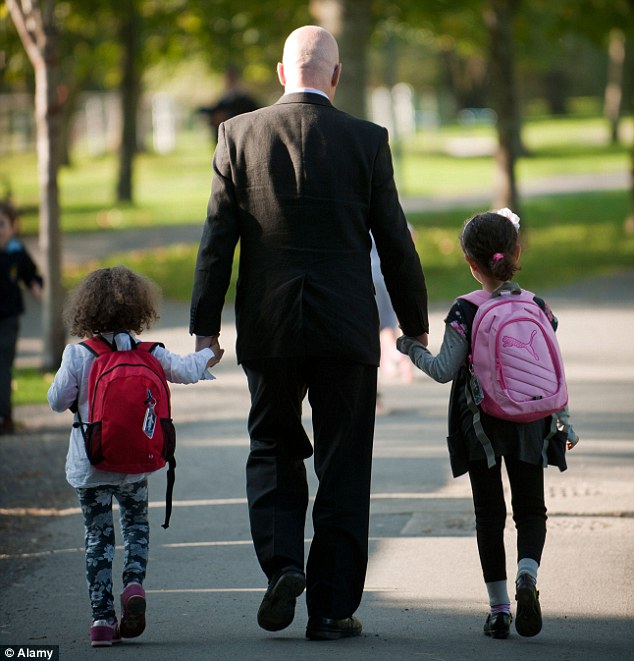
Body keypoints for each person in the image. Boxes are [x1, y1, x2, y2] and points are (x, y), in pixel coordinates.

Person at [190, 25, 428, 640]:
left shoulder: (236, 135)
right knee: (345, 462)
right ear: (336, 76)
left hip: (269, 324)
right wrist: (413, 326)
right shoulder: (366, 140)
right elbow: (395, 242)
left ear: (279, 72)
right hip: (345, 326)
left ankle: (283, 565)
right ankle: (330, 607)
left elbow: (217, 242)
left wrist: (204, 329)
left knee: (272, 447)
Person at [397, 209, 580, 640]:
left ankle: (499, 611)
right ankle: (527, 578)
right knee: (531, 508)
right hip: (532, 420)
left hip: (479, 421)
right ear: (517, 253)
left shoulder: (465, 309)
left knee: (489, 513)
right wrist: (564, 420)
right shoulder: (538, 306)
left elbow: (444, 369)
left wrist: (409, 347)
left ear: (470, 263)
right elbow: (549, 369)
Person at [47, 265, 222, 647]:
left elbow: (56, 401)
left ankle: (102, 621)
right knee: (136, 529)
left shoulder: (78, 356)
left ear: (86, 311)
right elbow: (187, 370)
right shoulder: (151, 353)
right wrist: (210, 353)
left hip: (91, 464)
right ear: (140, 310)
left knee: (98, 538)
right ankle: (134, 584)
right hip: (135, 465)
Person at [0, 200, 43, 435]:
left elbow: (30, 273)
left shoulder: (16, 252)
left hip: (8, 318)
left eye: (1, 225)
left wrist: (35, 285)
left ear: (12, 227)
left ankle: (5, 416)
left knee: (3, 365)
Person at [197, 64, 260, 143]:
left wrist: (227, 116)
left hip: (239, 139)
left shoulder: (245, 100)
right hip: (225, 139)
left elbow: (252, 116)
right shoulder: (224, 98)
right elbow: (215, 113)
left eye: (231, 78)